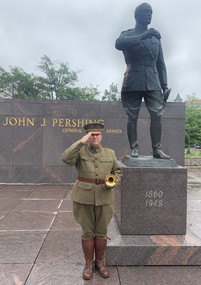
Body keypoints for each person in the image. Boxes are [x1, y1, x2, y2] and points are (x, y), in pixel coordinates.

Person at [61, 122, 122, 280]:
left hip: (104, 196)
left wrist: (113, 180)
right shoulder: (80, 151)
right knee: (87, 232)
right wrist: (81, 141)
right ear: (88, 136)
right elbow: (66, 158)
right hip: (83, 197)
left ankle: (100, 263)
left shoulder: (110, 153)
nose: (95, 137)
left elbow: (117, 170)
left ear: (101, 136)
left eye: (97, 134)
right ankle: (89, 263)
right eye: (91, 135)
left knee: (101, 231)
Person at [115, 2, 171, 159]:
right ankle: (134, 148)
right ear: (137, 15)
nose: (149, 14)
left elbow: (161, 63)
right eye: (146, 12)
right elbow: (118, 44)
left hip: (153, 81)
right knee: (132, 115)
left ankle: (157, 150)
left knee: (157, 115)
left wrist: (164, 85)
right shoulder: (127, 34)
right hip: (132, 79)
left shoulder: (155, 39)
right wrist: (143, 36)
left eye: (151, 12)